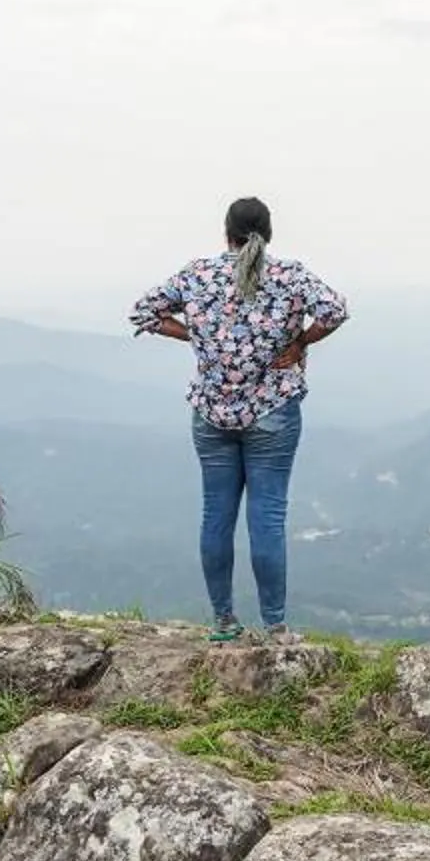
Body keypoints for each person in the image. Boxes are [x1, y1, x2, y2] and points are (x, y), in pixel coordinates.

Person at [128, 197, 348, 644]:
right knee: (267, 519)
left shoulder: (197, 274)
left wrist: (199, 335)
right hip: (273, 409)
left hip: (210, 413)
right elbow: (335, 311)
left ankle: (224, 622)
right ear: (268, 232)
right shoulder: (289, 275)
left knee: (216, 515)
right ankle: (276, 627)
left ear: (225, 231)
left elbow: (143, 311)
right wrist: (299, 344)